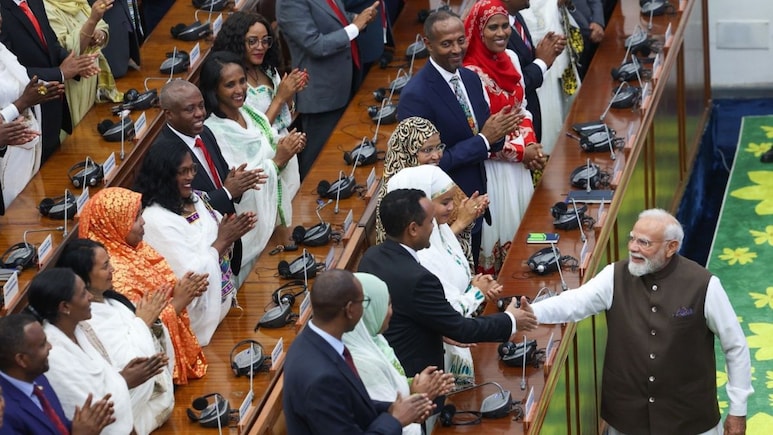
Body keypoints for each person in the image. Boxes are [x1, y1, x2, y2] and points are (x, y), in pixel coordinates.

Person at [526, 209, 753, 435]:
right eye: (632, 239)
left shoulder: (704, 284)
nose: (633, 248)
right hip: (627, 421)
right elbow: (574, 302)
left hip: (690, 421)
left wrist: (738, 411)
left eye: (644, 242)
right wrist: (528, 314)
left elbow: (735, 346)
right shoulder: (614, 276)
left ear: (671, 247)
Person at [358, 188, 537, 392]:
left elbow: (407, 313)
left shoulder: (371, 257)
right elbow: (461, 329)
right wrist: (511, 320)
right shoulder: (419, 279)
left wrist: (439, 327)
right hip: (419, 384)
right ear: (413, 229)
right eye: (430, 222)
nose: (434, 227)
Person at [396, 9, 522, 268]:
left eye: (461, 41)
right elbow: (422, 166)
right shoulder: (415, 96)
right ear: (428, 44)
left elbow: (488, 135)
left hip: (475, 203)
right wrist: (484, 140)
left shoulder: (470, 78)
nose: (456, 49)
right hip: (445, 217)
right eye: (447, 44)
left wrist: (498, 132)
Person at [79, 186, 209, 385]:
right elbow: (138, 328)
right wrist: (179, 301)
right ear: (113, 223)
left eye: (140, 214)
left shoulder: (134, 247)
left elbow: (158, 296)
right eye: (135, 218)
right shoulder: (114, 274)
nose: (143, 221)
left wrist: (181, 289)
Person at [386, 165, 504, 382]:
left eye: (452, 200)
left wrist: (476, 284)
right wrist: (477, 292)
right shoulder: (422, 257)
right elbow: (448, 313)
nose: (452, 207)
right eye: (445, 202)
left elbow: (455, 278)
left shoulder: (440, 232)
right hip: (439, 358)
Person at [283, 269, 435, 434]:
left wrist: (392, 408)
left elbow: (350, 403)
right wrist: (396, 420)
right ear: (350, 310)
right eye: (363, 302)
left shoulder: (306, 342)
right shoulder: (322, 379)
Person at [134, 142, 256, 346]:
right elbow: (190, 277)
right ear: (164, 175)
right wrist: (222, 242)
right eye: (183, 171)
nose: (190, 176)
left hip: (224, 308)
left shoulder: (197, 199)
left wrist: (231, 232)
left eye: (193, 169)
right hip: (198, 325)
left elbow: (218, 233)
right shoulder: (155, 220)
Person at [200, 51, 305, 283]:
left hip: (273, 216)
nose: (240, 89)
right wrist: (277, 160)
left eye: (242, 81)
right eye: (230, 85)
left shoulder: (248, 112)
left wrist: (287, 145)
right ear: (214, 90)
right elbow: (242, 183)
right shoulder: (214, 131)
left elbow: (267, 142)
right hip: (249, 226)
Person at [57, 238, 175, 434]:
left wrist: (147, 321)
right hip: (131, 403)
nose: (113, 269)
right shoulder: (86, 322)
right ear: (83, 278)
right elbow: (134, 366)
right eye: (105, 266)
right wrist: (142, 323)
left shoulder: (114, 301)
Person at [463, 0, 546, 275]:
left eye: (504, 26)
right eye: (492, 27)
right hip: (494, 173)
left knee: (524, 229)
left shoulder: (511, 57)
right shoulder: (470, 74)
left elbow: (522, 110)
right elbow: (480, 136)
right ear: (478, 30)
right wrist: (523, 152)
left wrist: (531, 144)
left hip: (518, 168)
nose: (501, 33)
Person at [153, 79, 266, 279]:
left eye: (201, 106)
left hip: (229, 246)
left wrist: (238, 183)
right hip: (202, 257)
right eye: (190, 109)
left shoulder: (204, 133)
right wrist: (227, 192)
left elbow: (223, 179)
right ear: (169, 114)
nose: (200, 113)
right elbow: (180, 210)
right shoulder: (163, 154)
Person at [25, 268, 160, 435]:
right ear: (65, 307)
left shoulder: (80, 330)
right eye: (83, 294)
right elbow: (91, 412)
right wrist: (124, 381)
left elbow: (109, 382)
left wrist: (120, 378)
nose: (90, 297)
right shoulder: (54, 355)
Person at [277, 0, 380, 179]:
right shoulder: (289, 3)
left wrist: (358, 17)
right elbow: (315, 45)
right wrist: (355, 27)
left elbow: (336, 17)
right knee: (320, 165)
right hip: (321, 95)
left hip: (346, 81)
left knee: (345, 154)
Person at [342, 272, 455, 435]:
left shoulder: (376, 340)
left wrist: (416, 384)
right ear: (369, 309)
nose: (391, 311)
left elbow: (391, 384)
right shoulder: (361, 362)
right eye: (387, 304)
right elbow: (385, 419)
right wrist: (418, 396)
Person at [374, 116, 487, 269]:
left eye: (439, 147)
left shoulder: (434, 178)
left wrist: (469, 210)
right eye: (427, 150)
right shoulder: (396, 198)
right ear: (408, 152)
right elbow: (423, 255)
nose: (437, 155)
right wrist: (461, 223)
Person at [0, 0, 99, 162]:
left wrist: (73, 64)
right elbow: (13, 70)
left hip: (53, 107)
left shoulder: (35, 2)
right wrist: (60, 73)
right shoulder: (2, 10)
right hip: (26, 120)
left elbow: (50, 43)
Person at [0, 313, 115, 435]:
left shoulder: (38, 378)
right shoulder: (5, 414)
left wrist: (83, 425)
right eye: (42, 344)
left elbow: (58, 427)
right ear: (22, 359)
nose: (50, 347)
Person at [0, 11, 64, 211]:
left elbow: (23, 83)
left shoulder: (1, 49)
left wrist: (41, 92)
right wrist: (22, 103)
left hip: (28, 143)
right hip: (7, 155)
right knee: (18, 216)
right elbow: (20, 100)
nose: (1, 19)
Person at [212, 11, 307, 137]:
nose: (261, 47)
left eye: (265, 40)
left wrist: (290, 92)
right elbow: (255, 135)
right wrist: (280, 98)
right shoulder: (234, 85)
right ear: (237, 42)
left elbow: (284, 118)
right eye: (252, 41)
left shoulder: (268, 69)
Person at [43, 0, 122, 126]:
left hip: (92, 78)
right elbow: (67, 52)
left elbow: (102, 26)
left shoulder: (76, 1)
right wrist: (92, 22)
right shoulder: (46, 8)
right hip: (74, 83)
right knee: (80, 130)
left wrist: (99, 35)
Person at [502, 0, 568, 150]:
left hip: (532, 119)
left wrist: (545, 51)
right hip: (516, 134)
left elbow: (523, 62)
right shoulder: (498, 32)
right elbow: (513, 86)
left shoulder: (516, 17)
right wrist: (541, 62)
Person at [562, 0, 604, 78]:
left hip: (595, 34)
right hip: (574, 47)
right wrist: (590, 30)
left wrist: (598, 21)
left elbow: (595, 1)